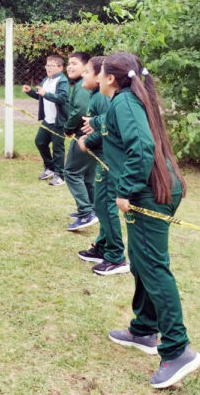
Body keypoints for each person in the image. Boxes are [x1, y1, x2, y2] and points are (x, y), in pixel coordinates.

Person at [86, 52, 200, 389]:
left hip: (150, 194)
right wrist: (92, 129)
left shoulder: (123, 102)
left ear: (109, 78)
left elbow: (141, 145)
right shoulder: (124, 102)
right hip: (150, 190)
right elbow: (117, 135)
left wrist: (124, 191)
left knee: (153, 266)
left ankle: (178, 350)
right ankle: (143, 330)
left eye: (103, 70)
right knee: (139, 261)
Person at [77, 56, 129, 275]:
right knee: (100, 205)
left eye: (88, 71)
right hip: (104, 159)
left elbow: (108, 128)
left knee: (106, 206)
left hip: (110, 162)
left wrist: (87, 141)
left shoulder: (104, 98)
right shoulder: (101, 96)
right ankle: (103, 246)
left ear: (103, 76)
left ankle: (116, 257)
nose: (84, 74)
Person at [63, 52, 99, 230]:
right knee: (88, 176)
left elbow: (80, 110)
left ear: (86, 68)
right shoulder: (80, 84)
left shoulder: (81, 86)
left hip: (83, 136)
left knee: (71, 172)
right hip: (93, 136)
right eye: (68, 63)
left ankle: (86, 214)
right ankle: (92, 208)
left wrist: (69, 128)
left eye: (74, 63)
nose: (70, 67)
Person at [22, 55, 68, 186]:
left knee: (58, 148)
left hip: (58, 121)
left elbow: (62, 98)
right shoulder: (46, 80)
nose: (48, 68)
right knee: (40, 142)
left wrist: (45, 94)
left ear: (60, 67)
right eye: (47, 65)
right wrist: (30, 91)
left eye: (52, 66)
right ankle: (50, 167)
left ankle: (60, 176)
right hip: (47, 120)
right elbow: (41, 97)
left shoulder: (62, 81)